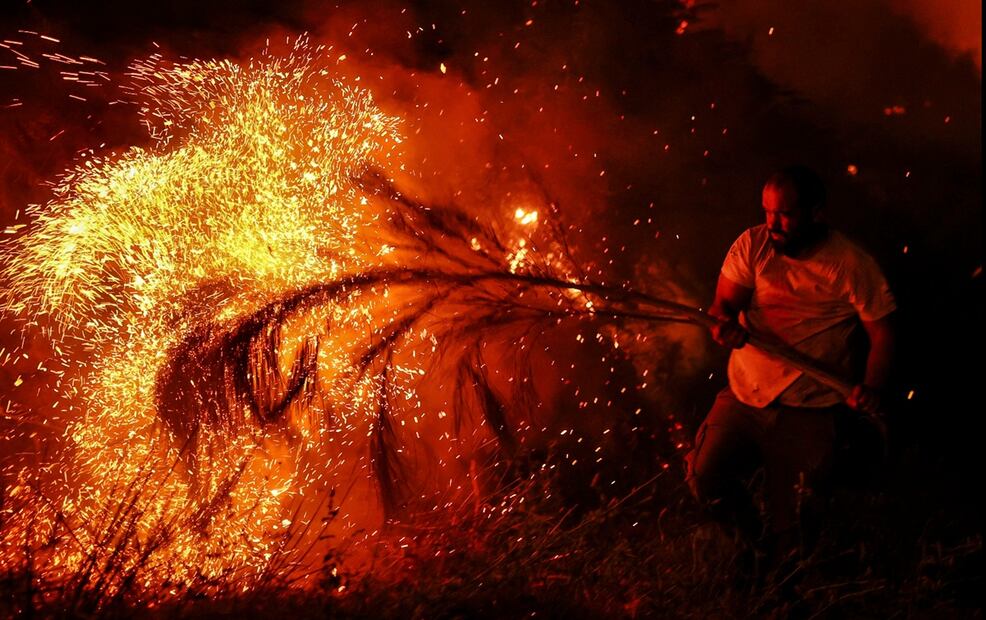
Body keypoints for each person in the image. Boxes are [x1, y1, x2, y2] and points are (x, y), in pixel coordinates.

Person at [685, 165, 896, 577]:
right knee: (705, 479)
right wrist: (723, 323)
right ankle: (749, 545)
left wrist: (871, 386)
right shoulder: (753, 244)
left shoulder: (850, 264)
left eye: (784, 214)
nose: (772, 224)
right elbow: (723, 304)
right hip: (745, 394)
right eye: (767, 211)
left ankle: (784, 593)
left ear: (816, 212)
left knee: (795, 527)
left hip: (809, 408)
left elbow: (884, 334)